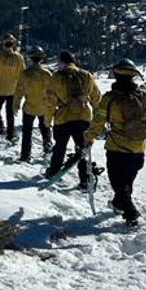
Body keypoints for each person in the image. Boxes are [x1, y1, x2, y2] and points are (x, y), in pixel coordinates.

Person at [84, 59, 146, 226]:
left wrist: (88, 137)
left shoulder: (109, 98)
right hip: (138, 147)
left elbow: (98, 122)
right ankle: (119, 204)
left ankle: (130, 212)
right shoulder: (145, 97)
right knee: (127, 181)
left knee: (117, 182)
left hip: (116, 147)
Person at [44, 51, 102, 188]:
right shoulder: (86, 75)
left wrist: (47, 120)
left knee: (60, 147)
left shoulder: (56, 77)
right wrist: (98, 119)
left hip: (63, 117)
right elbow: (96, 98)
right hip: (83, 117)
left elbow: (50, 102)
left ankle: (54, 172)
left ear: (61, 62)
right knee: (82, 149)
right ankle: (85, 178)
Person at [14, 46, 53, 162]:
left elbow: (19, 91)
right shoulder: (47, 73)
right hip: (44, 107)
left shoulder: (25, 74)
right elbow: (52, 92)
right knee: (46, 130)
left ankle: (25, 155)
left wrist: (15, 105)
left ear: (30, 58)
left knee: (27, 132)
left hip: (29, 106)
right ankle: (48, 150)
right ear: (41, 58)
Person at [0, 34, 25, 141]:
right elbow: (22, 76)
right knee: (10, 114)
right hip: (12, 90)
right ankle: (10, 134)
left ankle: (0, 128)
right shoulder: (19, 58)